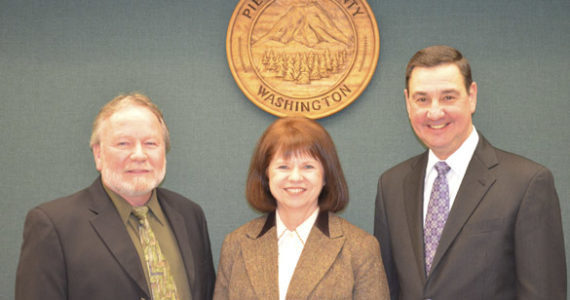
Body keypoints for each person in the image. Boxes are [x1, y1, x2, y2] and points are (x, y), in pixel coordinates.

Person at [374, 45, 566, 299]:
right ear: (408, 103)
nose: (434, 112)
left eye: (448, 97)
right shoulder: (391, 185)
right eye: (422, 99)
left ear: (472, 96)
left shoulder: (527, 183)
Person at [15, 93, 216, 300]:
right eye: (123, 144)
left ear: (164, 151)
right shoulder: (54, 226)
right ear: (98, 154)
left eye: (150, 144)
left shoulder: (190, 215)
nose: (139, 155)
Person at [214, 117, 389, 299]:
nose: (295, 177)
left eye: (308, 166)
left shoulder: (360, 248)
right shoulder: (235, 244)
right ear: (266, 175)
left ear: (325, 176)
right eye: (283, 166)